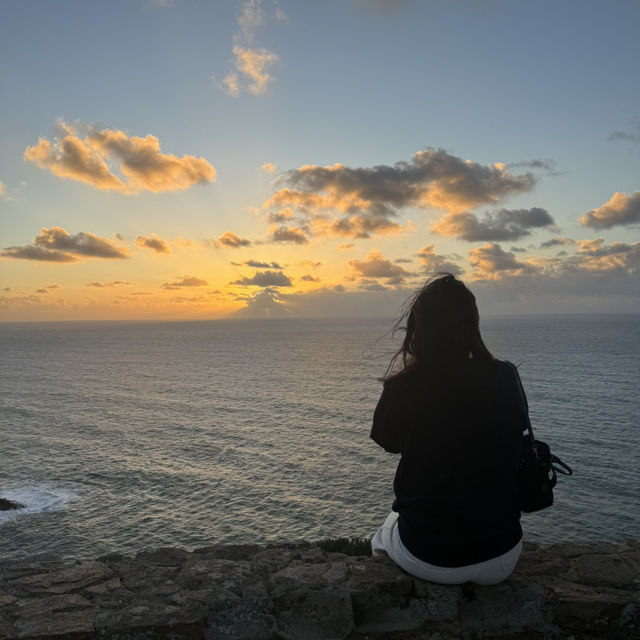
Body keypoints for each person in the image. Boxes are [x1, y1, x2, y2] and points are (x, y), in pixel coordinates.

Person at [370, 273, 526, 585]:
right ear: (472, 324)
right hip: (502, 555)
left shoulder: (405, 387)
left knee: (381, 535)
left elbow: (388, 440)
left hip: (430, 556)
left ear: (420, 327)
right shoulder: (505, 376)